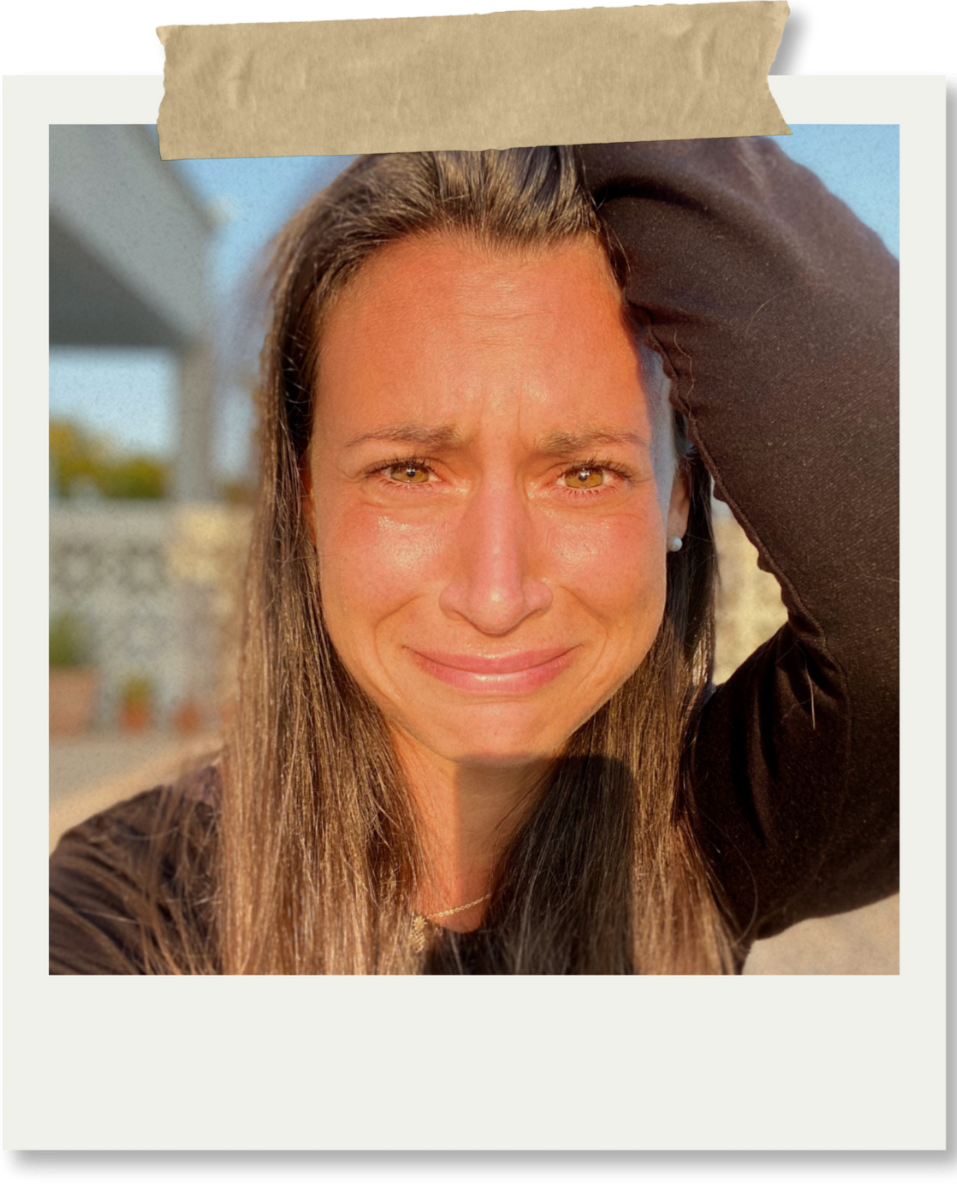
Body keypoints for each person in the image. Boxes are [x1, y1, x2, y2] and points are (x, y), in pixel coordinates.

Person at [49, 141, 898, 975]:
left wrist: (599, 77)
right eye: (409, 471)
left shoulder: (708, 816)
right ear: (307, 496)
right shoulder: (123, 916)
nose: (496, 595)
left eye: (584, 472)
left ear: (678, 496)